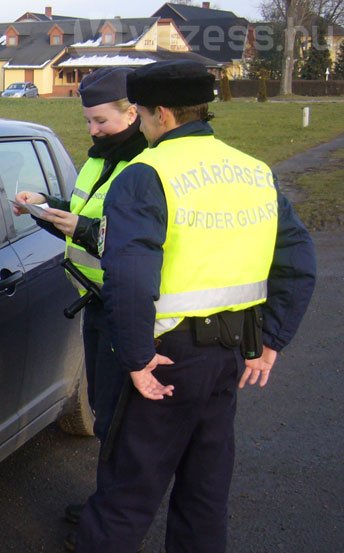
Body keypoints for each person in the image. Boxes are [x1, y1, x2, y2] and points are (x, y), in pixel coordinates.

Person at [74, 60, 317, 553]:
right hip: (230, 355)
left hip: (167, 357)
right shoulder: (254, 171)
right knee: (205, 495)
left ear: (161, 113)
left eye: (140, 113)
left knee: (126, 495)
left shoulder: (146, 173)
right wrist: (271, 340)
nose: (140, 122)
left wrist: (137, 359)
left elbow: (130, 274)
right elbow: (297, 261)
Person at [12, 67, 148, 525]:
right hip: (95, 303)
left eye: (101, 121)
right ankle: (109, 505)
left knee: (119, 420)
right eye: (87, 120)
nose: (92, 130)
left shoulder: (143, 167)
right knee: (105, 413)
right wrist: (46, 207)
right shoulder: (99, 159)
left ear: (132, 113)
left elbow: (139, 240)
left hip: (125, 310)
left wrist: (85, 230)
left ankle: (113, 518)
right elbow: (82, 211)